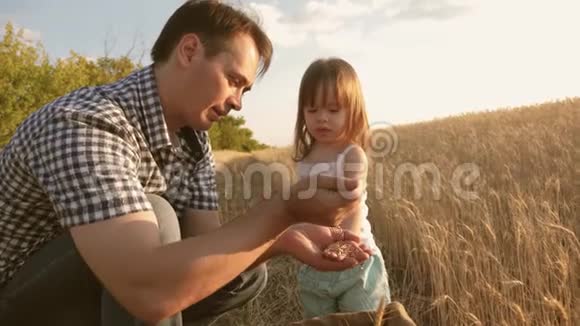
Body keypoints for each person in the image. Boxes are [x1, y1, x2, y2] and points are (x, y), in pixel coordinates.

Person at [0, 1, 372, 325]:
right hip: (15, 299)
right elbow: (145, 289)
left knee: (245, 272)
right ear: (190, 50)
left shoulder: (194, 138)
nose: (238, 102)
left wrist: (283, 238)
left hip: (106, 285)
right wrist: (283, 212)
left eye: (244, 90)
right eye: (233, 80)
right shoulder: (85, 122)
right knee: (157, 214)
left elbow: (205, 240)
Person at [292, 58, 392, 319]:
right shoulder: (304, 160)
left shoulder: (352, 155)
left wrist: (343, 245)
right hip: (315, 265)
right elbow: (301, 208)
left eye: (333, 110)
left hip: (356, 263)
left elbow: (354, 206)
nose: (322, 118)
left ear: (353, 110)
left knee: (365, 321)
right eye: (312, 110)